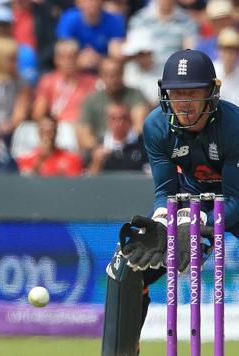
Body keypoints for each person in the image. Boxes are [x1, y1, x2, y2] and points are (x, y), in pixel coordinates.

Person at [101, 49, 239, 355]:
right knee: (124, 268)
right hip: (193, 200)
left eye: (192, 93)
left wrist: (198, 224)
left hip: (233, 200)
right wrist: (164, 222)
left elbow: (234, 200)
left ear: (211, 93)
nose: (184, 103)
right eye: (177, 94)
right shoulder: (156, 126)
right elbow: (165, 191)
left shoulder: (234, 127)